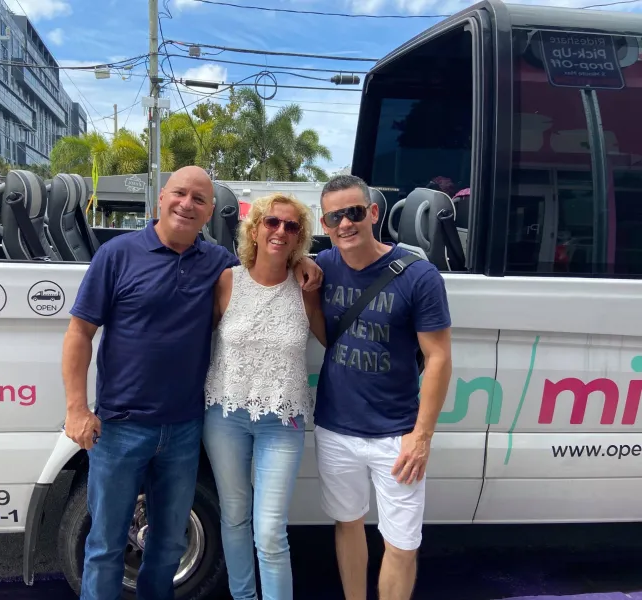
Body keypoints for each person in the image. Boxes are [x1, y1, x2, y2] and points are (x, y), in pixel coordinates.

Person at [61, 166, 323, 600]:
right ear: (161, 198)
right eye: (180, 194)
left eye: (199, 200)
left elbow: (265, 264)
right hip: (120, 426)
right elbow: (79, 334)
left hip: (184, 428)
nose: (188, 204)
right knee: (106, 545)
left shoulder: (218, 264)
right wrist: (76, 408)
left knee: (167, 546)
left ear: (208, 214)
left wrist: (302, 261)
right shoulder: (118, 254)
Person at [312, 174, 453, 600]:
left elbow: (439, 358)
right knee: (348, 523)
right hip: (336, 429)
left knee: (402, 545)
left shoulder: (418, 275)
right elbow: (326, 335)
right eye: (335, 216)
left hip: (398, 436)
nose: (345, 224)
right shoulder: (323, 266)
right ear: (325, 223)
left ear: (373, 213)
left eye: (354, 212)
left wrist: (421, 437)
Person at [202, 193, 326, 600]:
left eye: (292, 227)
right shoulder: (227, 281)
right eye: (272, 222)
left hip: (283, 421)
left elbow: (331, 339)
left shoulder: (307, 285)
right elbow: (199, 339)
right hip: (225, 416)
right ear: (254, 229)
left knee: (271, 531)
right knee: (235, 518)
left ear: (300, 238)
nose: (280, 231)